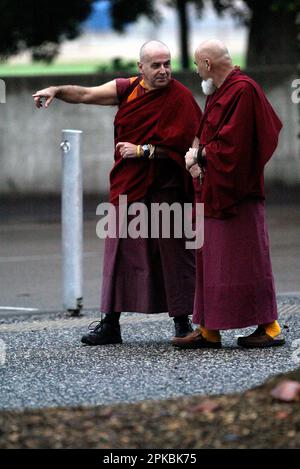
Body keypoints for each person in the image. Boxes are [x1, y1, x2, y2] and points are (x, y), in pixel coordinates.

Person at [33, 40, 202, 346]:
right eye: (156, 65)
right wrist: (56, 90)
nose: (163, 70)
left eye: (167, 64)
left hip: (166, 188)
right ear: (141, 68)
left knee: (174, 252)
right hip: (129, 184)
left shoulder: (181, 97)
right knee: (120, 251)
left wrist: (146, 150)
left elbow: (191, 145)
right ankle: (111, 324)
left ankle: (182, 322)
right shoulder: (127, 89)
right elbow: (85, 94)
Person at [172, 40, 285, 349]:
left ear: (208, 64)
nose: (196, 71)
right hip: (214, 187)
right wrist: (197, 155)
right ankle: (209, 329)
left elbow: (237, 146)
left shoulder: (243, 90)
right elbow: (211, 132)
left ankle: (270, 327)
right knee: (211, 259)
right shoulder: (221, 91)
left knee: (247, 260)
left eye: (197, 64)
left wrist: (200, 156)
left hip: (239, 192)